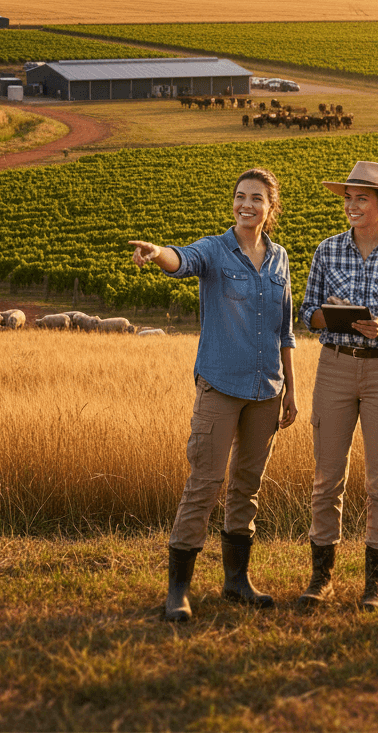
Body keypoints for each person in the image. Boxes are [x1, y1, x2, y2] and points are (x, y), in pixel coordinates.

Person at [129, 168, 297, 622]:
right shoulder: (214, 250)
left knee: (247, 486)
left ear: (270, 208)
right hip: (220, 385)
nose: (247, 205)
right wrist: (157, 253)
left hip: (267, 390)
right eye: (241, 196)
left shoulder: (280, 258)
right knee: (204, 484)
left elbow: (285, 329)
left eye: (257, 198)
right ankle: (178, 590)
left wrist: (291, 389)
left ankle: (237, 582)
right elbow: (182, 260)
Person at [297, 161, 378, 613]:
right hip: (334, 367)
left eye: (362, 199)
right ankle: (322, 579)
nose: (351, 206)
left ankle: (375, 587)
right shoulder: (327, 250)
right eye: (348, 198)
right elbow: (306, 313)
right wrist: (330, 314)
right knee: (326, 477)